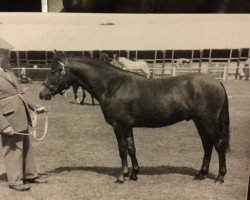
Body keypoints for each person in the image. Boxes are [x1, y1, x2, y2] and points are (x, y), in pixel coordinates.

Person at [0, 47, 46, 191]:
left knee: (26, 146)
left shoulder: (8, 70)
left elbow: (20, 93)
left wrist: (35, 106)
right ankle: (15, 180)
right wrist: (3, 125)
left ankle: (30, 174)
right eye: (5, 53)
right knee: (12, 148)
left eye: (7, 53)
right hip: (8, 116)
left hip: (20, 113)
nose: (8, 56)